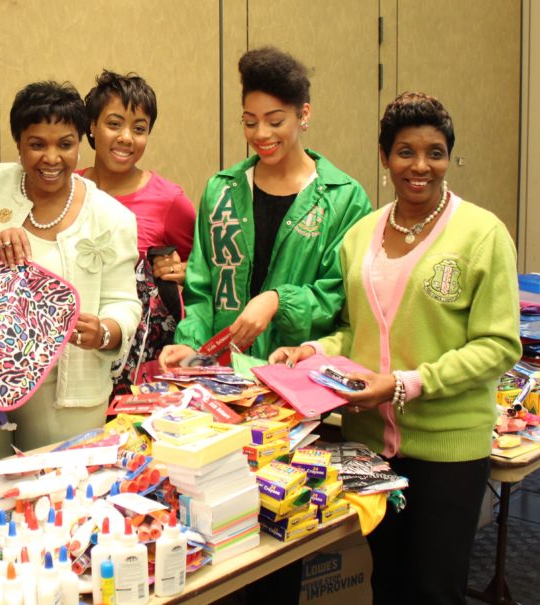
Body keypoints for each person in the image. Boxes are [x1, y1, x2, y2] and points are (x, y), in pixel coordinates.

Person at [270, 92, 521, 604]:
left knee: (435, 589)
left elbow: (498, 344)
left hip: (446, 450)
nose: (420, 166)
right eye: (406, 151)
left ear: (449, 156)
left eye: (435, 152)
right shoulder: (360, 236)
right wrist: (314, 351)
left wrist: (406, 384)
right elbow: (353, 330)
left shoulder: (482, 233)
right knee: (386, 583)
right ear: (385, 157)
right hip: (370, 449)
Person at [160, 47, 371, 365]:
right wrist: (191, 344)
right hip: (224, 375)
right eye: (249, 122)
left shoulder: (343, 198)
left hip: (296, 374)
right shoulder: (222, 192)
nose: (261, 134)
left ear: (304, 114)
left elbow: (339, 296)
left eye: (275, 121)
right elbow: (201, 287)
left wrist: (277, 301)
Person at [0, 81, 141, 456]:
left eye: (65, 144)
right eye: (37, 144)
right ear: (18, 141)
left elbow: (124, 302)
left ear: (81, 141)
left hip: (67, 387)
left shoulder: (112, 217)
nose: (52, 158)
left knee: (59, 494)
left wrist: (105, 331)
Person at [78, 70, 196, 392]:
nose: (126, 137)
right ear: (91, 126)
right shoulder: (66, 187)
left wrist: (183, 272)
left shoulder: (170, 200)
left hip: (137, 359)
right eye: (114, 124)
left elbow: (204, 270)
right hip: (72, 346)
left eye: (139, 129)